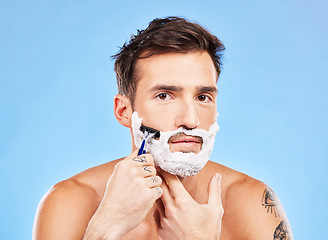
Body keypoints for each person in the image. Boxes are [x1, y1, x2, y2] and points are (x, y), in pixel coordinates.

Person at [33, 16, 293, 240]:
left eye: (203, 97)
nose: (190, 120)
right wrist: (104, 228)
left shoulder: (251, 202)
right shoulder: (70, 202)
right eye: (165, 96)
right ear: (124, 111)